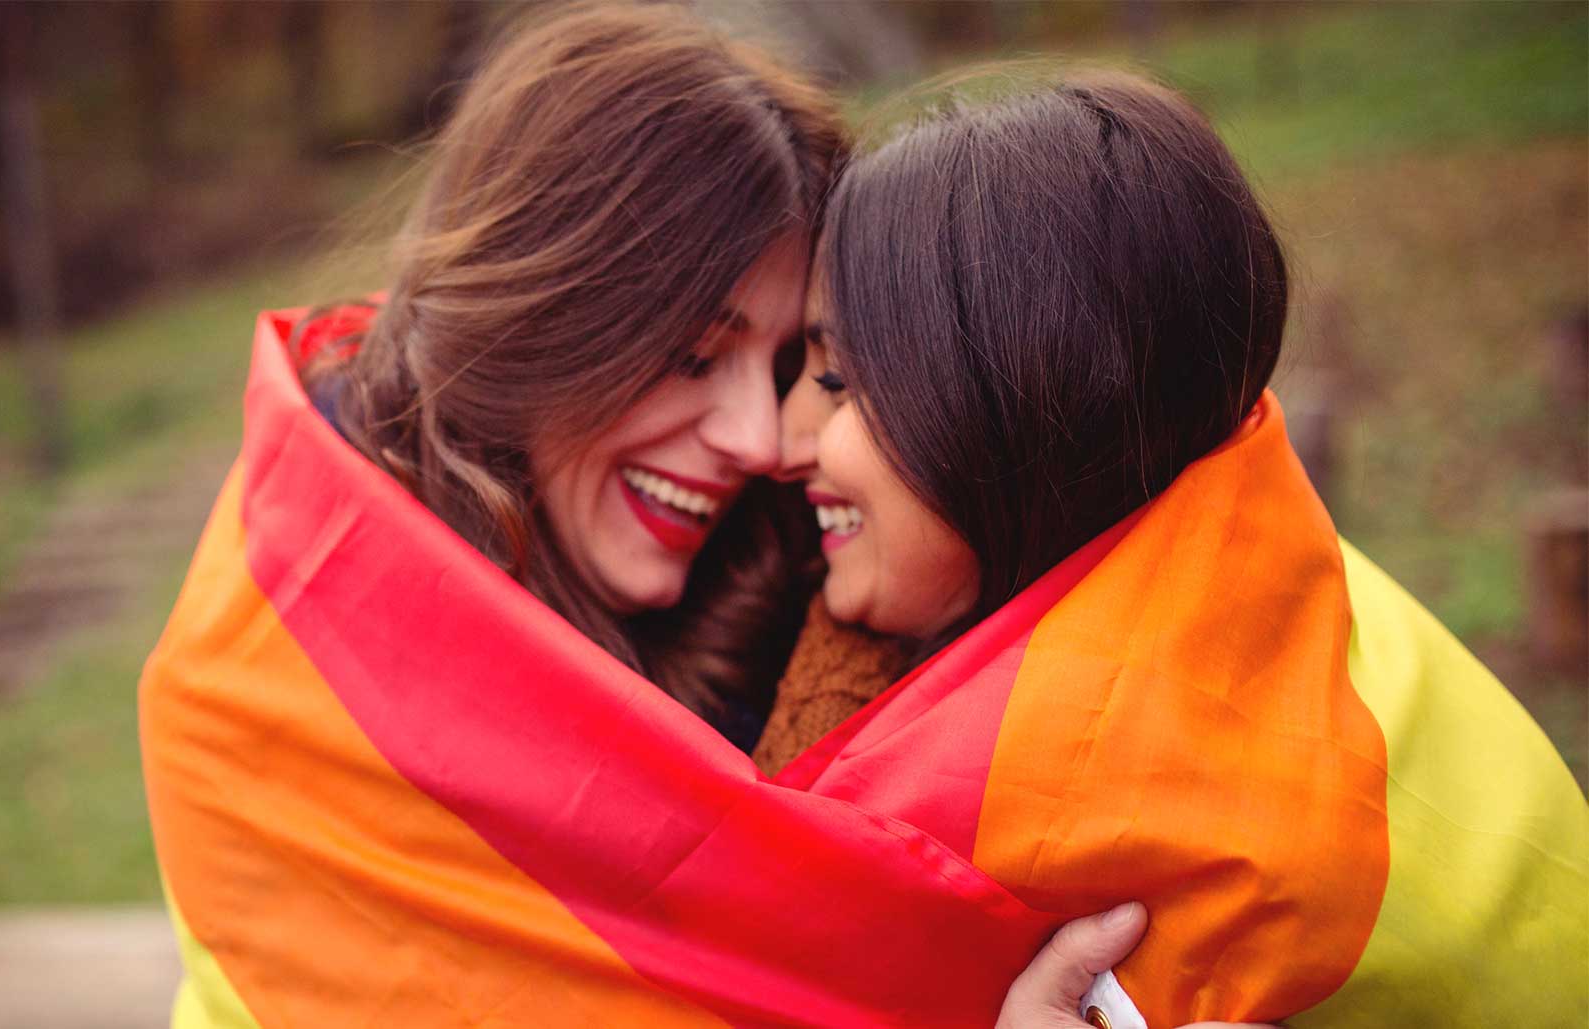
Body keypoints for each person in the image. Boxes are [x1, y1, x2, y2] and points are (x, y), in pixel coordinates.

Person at [144, 9, 1223, 1027]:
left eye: (794, 364)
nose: (759, 438)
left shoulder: (837, 601)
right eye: (696, 356)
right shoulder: (264, 686)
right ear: (539, 322)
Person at [767, 69, 1587, 1024]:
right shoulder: (1272, 571)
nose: (779, 440)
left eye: (838, 381)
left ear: (1009, 406)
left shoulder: (1114, 810)